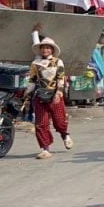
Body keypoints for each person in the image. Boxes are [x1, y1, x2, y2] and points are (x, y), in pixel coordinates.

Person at [28, 25, 72, 160]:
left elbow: (60, 78)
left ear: (52, 49)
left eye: (48, 48)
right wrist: (27, 93)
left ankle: (65, 135)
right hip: (40, 96)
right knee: (41, 124)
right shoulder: (36, 63)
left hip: (54, 95)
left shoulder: (58, 62)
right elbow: (32, 79)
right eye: (43, 47)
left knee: (59, 121)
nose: (45, 50)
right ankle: (45, 149)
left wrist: (58, 94)